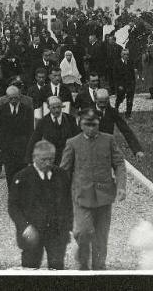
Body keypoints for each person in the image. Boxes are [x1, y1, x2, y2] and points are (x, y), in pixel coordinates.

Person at [60, 109, 127, 270]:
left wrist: (121, 187)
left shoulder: (109, 140)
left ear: (99, 123)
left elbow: (119, 164)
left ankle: (99, 268)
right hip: (81, 196)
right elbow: (64, 171)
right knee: (83, 232)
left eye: (94, 124)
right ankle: (83, 262)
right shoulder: (73, 143)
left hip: (104, 196)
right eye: (86, 124)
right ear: (80, 124)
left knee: (100, 237)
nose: (90, 128)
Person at [8, 140, 73, 270]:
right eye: (44, 160)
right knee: (30, 268)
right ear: (34, 158)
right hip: (32, 233)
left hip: (56, 233)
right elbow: (13, 207)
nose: (48, 163)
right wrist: (25, 227)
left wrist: (68, 227)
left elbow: (68, 203)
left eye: (51, 159)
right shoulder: (22, 178)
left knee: (57, 268)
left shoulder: (62, 175)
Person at [0, 85, 35, 189]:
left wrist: (31, 146)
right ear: (7, 98)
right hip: (7, 147)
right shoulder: (1, 109)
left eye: (16, 97)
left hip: (22, 147)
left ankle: (21, 194)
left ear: (19, 97)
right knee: (10, 172)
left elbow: (30, 130)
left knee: (22, 172)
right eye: (11, 98)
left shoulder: (27, 110)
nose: (14, 100)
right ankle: (12, 194)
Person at [26, 96, 81, 166]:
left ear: (62, 106)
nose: (57, 110)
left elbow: (77, 137)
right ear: (48, 108)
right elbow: (34, 140)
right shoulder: (43, 122)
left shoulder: (70, 119)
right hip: (50, 158)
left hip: (66, 157)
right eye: (53, 108)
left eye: (59, 107)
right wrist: (30, 160)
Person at [95, 89, 144, 159]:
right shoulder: (88, 112)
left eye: (105, 102)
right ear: (95, 99)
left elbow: (126, 130)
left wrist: (137, 150)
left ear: (108, 100)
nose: (102, 105)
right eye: (100, 102)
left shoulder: (112, 112)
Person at [114, 48, 137, 117]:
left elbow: (133, 74)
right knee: (120, 98)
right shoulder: (117, 63)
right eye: (124, 54)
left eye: (127, 54)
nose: (126, 56)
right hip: (121, 84)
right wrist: (119, 85)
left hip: (130, 84)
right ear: (121, 55)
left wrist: (133, 83)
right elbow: (115, 76)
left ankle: (128, 114)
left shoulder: (130, 62)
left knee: (130, 100)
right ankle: (116, 110)